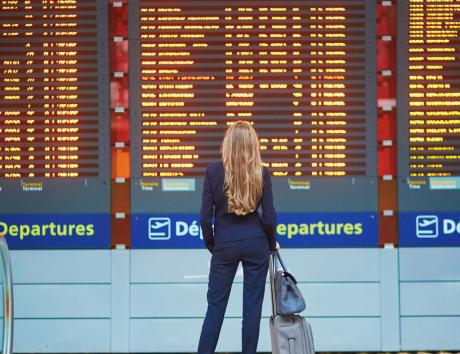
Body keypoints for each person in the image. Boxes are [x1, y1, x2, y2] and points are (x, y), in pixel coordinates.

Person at [198, 120, 279, 354]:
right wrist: (271, 242)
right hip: (256, 245)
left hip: (224, 244)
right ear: (253, 145)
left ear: (227, 143)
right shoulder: (261, 172)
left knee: (215, 307)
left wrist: (214, 245)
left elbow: (205, 218)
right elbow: (270, 217)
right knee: (252, 310)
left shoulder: (213, 171)